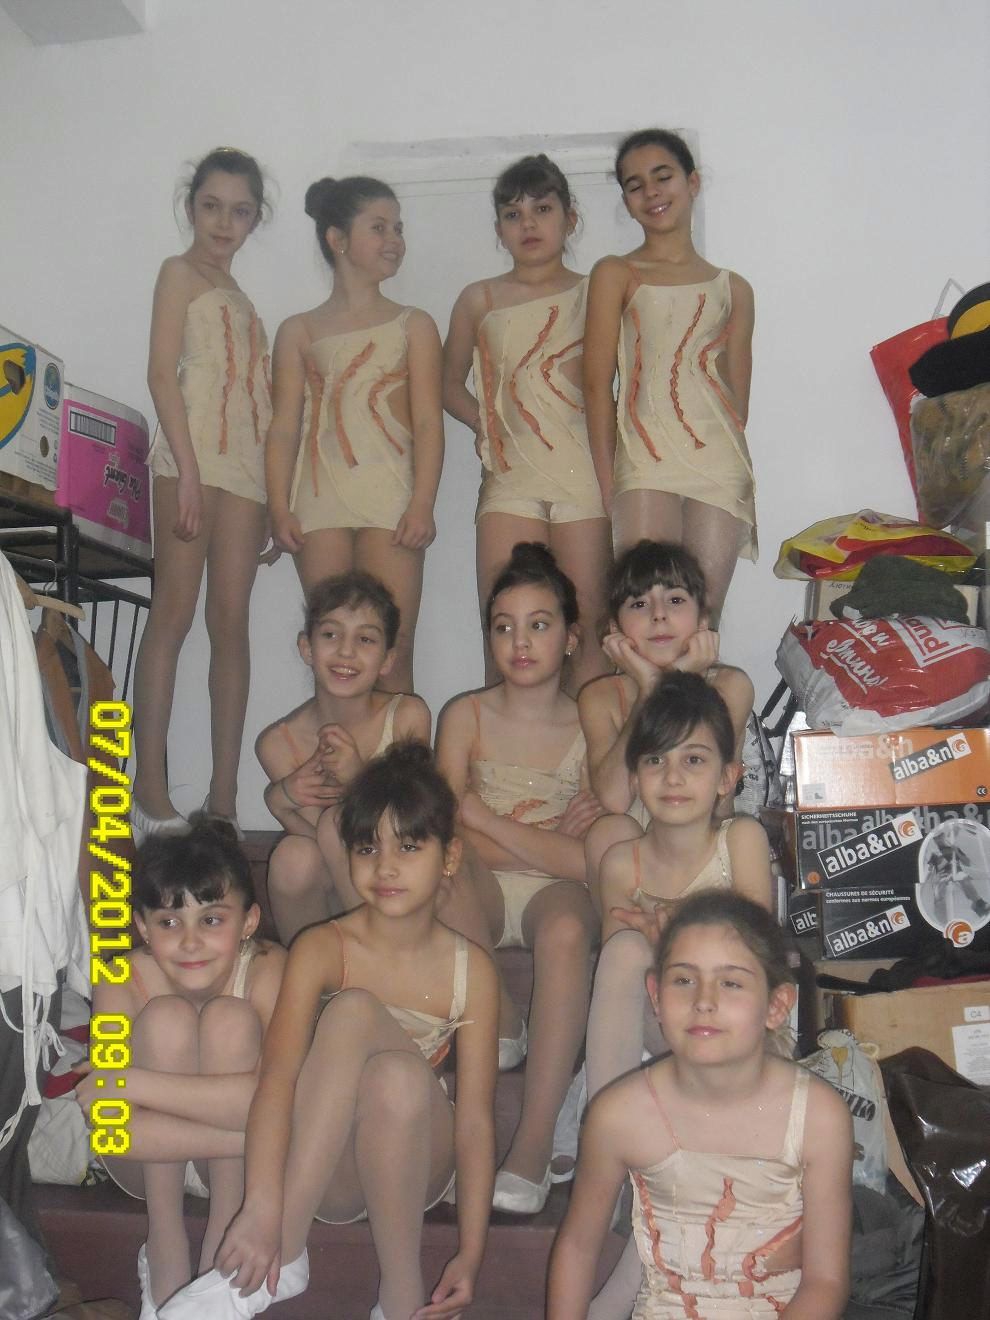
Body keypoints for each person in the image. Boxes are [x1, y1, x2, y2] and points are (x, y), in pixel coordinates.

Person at [160, 743, 499, 1320]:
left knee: (385, 1059)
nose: (385, 867)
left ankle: (351, 1278)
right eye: (367, 848)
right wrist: (260, 1203)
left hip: (419, 1162)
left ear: (449, 857)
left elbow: (475, 1121)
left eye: (408, 847)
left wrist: (471, 1251)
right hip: (329, 1166)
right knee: (369, 1040)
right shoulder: (321, 947)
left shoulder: (474, 970)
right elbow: (277, 1081)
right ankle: (291, 1249)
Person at [548, 891, 853, 1319]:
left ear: (776, 1005)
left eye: (731, 983)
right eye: (683, 980)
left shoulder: (817, 1116)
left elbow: (826, 1281)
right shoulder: (620, 1115)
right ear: (655, 995)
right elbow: (578, 1246)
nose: (704, 1001)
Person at [582, 673, 775, 1316]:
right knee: (624, 952)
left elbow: (755, 960)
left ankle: (624, 1282)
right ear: (635, 777)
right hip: (658, 1026)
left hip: (738, 1030)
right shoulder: (622, 861)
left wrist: (678, 940)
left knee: (691, 974)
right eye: (656, 761)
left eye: (694, 760)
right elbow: (625, 977)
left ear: (727, 777)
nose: (673, 777)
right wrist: (667, 950)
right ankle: (608, 1143)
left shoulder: (740, 839)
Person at [436, 542, 602, 1215]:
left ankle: (531, 1149)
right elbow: (441, 832)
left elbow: (589, 863)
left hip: (554, 896)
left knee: (566, 929)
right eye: (504, 627)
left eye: (539, 624)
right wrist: (547, 841)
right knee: (441, 874)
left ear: (571, 636)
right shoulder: (465, 716)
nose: (521, 642)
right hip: (479, 885)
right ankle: (502, 1014)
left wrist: (483, 817)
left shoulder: (592, 723)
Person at [76, 819, 286, 1317]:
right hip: (151, 1162)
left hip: (230, 1172)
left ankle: (221, 1246)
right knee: (166, 1019)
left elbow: (278, 1094)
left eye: (211, 920)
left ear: (249, 922)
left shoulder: (268, 967)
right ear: (142, 927)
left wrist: (131, 1082)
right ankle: (164, 1242)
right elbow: (111, 1132)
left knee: (230, 1020)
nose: (190, 942)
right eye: (169, 923)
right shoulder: (118, 978)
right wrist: (250, 1133)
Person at [132, 148, 275, 839]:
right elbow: (162, 375)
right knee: (173, 614)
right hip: (188, 462)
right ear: (191, 207)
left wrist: (273, 497)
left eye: (240, 211)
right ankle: (150, 788)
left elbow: (261, 403)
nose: (224, 222)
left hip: (245, 471)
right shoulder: (178, 273)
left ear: (255, 218)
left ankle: (223, 799)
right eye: (212, 206)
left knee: (231, 625)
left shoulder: (243, 297)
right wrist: (186, 472)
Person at [265, 176, 445, 692]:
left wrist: (423, 503)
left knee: (392, 653)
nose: (395, 240)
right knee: (333, 661)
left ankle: (402, 751)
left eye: (398, 228)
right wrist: (278, 508)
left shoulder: (414, 324)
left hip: (392, 501)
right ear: (337, 239)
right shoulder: (299, 330)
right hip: (318, 505)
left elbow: (428, 423)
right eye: (379, 227)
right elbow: (283, 429)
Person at [443, 154, 611, 693]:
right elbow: (447, 383)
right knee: (504, 639)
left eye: (542, 209)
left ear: (570, 217)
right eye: (513, 215)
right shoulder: (479, 298)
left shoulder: (598, 291)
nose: (529, 224)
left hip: (585, 481)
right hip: (509, 482)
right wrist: (483, 423)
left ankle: (589, 750)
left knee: (587, 640)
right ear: (499, 229)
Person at [583, 129, 756, 619]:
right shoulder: (615, 273)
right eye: (635, 185)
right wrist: (608, 481)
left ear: (692, 182)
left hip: (718, 462)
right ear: (626, 200)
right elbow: (595, 385)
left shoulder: (735, 289)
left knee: (701, 621)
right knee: (643, 616)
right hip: (642, 461)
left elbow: (737, 403)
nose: (651, 192)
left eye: (663, 177)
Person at [256, 571, 430, 943]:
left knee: (337, 822)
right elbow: (322, 842)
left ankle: (387, 957)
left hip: (403, 882)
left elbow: (414, 828)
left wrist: (359, 779)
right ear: (307, 648)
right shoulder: (278, 743)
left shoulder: (407, 716)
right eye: (331, 635)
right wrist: (281, 803)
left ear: (387, 659)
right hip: (337, 889)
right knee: (292, 857)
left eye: (365, 639)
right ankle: (312, 972)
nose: (346, 652)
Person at [579, 540, 753, 891]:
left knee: (746, 834)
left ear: (702, 620)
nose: (658, 615)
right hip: (633, 863)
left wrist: (664, 680)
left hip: (703, 849)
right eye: (639, 604)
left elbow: (712, 800)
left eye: (675, 600)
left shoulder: (731, 686)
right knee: (610, 831)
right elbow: (615, 798)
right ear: (615, 630)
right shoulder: (599, 697)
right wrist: (648, 689)